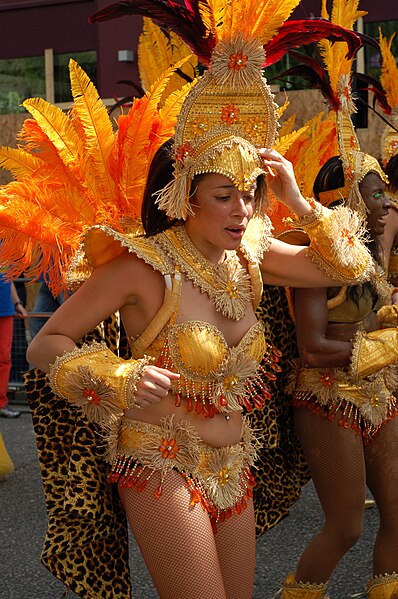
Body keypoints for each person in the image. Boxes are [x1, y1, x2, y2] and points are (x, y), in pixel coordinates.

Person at [280, 155, 398, 599]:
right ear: (349, 201)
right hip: (326, 400)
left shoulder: (369, 250)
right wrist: (384, 347)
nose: (387, 202)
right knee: (346, 526)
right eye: (376, 193)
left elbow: (369, 321)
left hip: (380, 392)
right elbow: (312, 347)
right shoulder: (316, 261)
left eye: (386, 190)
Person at [0, 272, 27, 418]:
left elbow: (7, 279)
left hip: (5, 309)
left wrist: (17, 303)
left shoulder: (5, 250)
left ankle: (1, 403)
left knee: (4, 358)